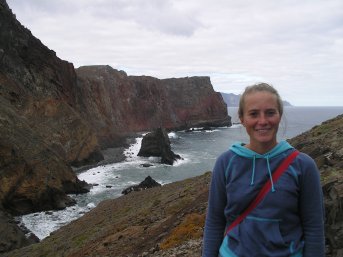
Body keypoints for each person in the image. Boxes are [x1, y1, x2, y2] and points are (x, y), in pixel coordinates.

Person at [202, 83, 325, 257]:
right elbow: (214, 222)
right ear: (242, 118)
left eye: (270, 112)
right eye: (253, 114)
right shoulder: (226, 162)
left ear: (279, 115)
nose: (263, 121)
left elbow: (314, 228)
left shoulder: (303, 166)